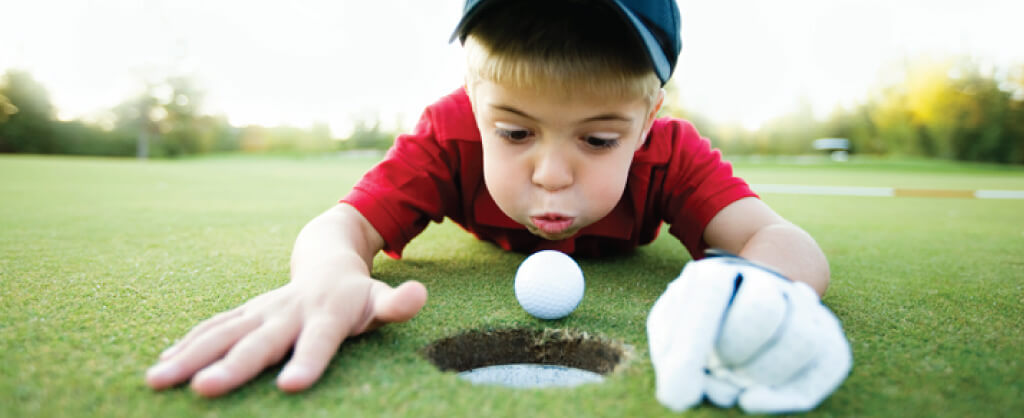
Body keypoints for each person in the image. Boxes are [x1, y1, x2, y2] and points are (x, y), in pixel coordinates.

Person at [146, 0, 849, 412]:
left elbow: (785, 243)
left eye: (600, 139)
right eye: (513, 132)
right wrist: (327, 276)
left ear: (648, 116)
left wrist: (754, 291)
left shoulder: (672, 153)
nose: (549, 175)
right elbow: (345, 226)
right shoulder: (445, 135)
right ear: (475, 101)